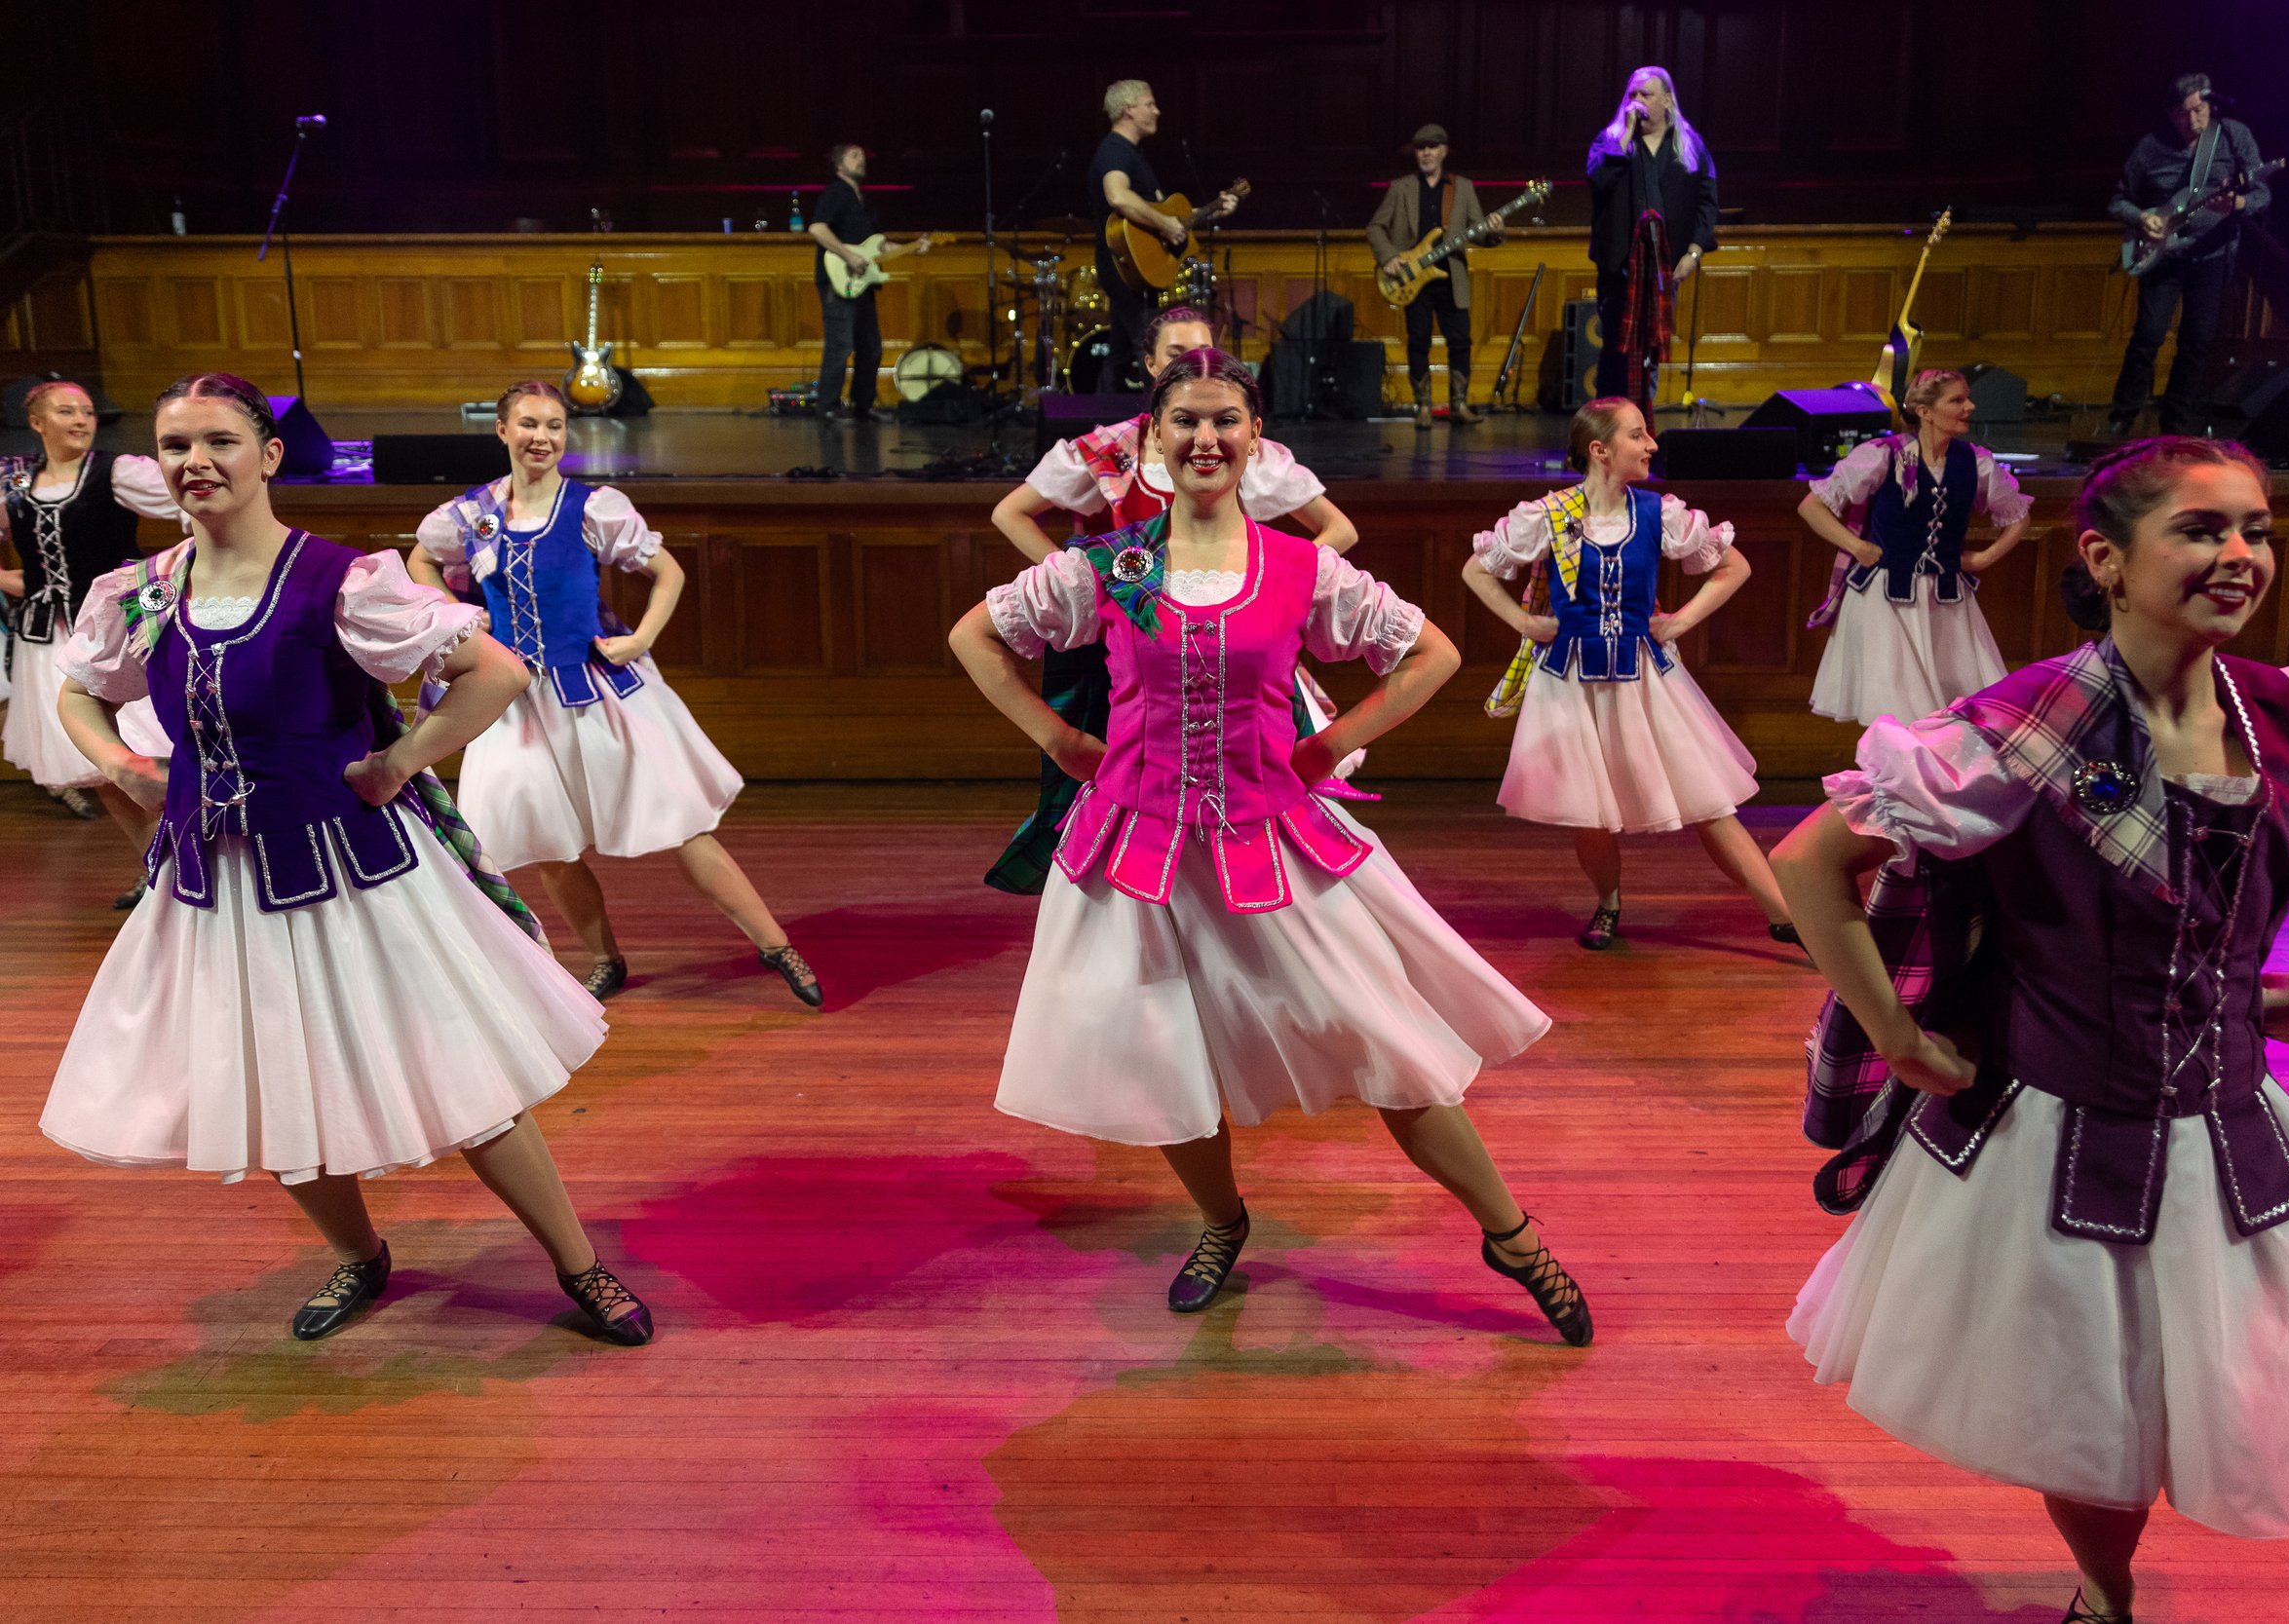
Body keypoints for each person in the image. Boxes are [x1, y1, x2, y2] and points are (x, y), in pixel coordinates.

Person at [1774, 436, 2289, 1622]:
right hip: (2055, 1126)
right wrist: (1900, 1036)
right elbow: (1811, 861)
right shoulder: (2024, 727)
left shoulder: (2284, 716)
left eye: (2255, 529)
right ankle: (2102, 1592)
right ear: (2107, 560)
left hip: (2234, 1119)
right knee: (2089, 1409)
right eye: (2200, 529)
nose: (2239, 555)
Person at [951, 347, 1590, 1346]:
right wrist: (1061, 740)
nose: (1205, 438)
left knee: (1388, 1041)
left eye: (1224, 421)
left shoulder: (1300, 566)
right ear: (1154, 440)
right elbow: (975, 637)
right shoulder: (1121, 565)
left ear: (1255, 440)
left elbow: (1431, 654)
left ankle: (1509, 1234)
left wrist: (1331, 740)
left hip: (1273, 839)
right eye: (1186, 421)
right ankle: (1221, 1219)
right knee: (1162, 1058)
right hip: (1134, 850)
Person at [43, 371, 652, 1346]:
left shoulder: (341, 580)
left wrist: (399, 759)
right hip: (221, 886)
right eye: (174, 447)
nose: (195, 462)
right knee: (271, 1084)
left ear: (268, 455)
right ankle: (359, 1254)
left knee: (468, 1082)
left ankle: (578, 1262)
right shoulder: (145, 592)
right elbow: (76, 690)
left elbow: (492, 669)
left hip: (355, 872)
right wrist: (121, 763)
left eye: (219, 441)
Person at [407, 380, 820, 1007]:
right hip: (516, 703)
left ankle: (774, 943)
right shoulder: (473, 515)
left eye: (553, 426)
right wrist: (453, 612)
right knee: (545, 837)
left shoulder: (592, 507)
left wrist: (640, 639)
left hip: (597, 693)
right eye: (528, 424)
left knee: (681, 824)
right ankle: (605, 958)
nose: (541, 437)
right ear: (502, 431)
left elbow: (667, 572)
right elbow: (421, 559)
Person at [984, 306, 1357, 895]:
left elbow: (1337, 530)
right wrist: (1093, 584)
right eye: (1181, 358)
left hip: (1233, 641)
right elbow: (1010, 514)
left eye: (1208, 351)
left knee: (1256, 775)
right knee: (1131, 788)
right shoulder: (1109, 450)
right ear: (1152, 369)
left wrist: (1280, 581)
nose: (1198, 365)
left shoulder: (1246, 448)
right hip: (1136, 648)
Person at [1464, 397, 1796, 952]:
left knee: (1710, 802)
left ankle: (1787, 916)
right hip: (1570, 680)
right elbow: (1478, 569)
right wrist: (1524, 620)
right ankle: (1609, 903)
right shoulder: (1550, 515)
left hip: (1644, 678)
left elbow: (1732, 565)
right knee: (1590, 810)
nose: (1652, 445)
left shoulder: (1657, 513)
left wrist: (1680, 622)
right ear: (1600, 450)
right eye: (1638, 435)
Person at [1, 379, 182, 875]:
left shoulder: (115, 472)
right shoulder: (17, 483)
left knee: (145, 748)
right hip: (47, 635)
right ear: (37, 423)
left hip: (116, 626)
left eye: (86, 411)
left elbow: (189, 499)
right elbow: (25, 544)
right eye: (67, 411)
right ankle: (155, 871)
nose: (82, 419)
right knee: (99, 768)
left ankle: (182, 865)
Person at [1799, 368, 2034, 726]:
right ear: (1925, 411)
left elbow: (2018, 515)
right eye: (1956, 400)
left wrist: (1985, 558)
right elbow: (1811, 506)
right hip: (1886, 598)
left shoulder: (1974, 461)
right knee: (1896, 706)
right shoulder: (1882, 456)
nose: (1969, 406)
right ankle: (1893, 777)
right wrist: (1856, 546)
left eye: (1967, 397)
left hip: (1944, 600)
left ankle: (1931, 778)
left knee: (1953, 702)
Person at [2106, 73, 2270, 437]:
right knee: (2148, 336)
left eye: (2201, 109)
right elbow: (2118, 200)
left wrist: (2239, 203)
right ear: (2171, 115)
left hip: (2212, 255)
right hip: (2162, 256)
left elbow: (2262, 195)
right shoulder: (2151, 147)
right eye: (2185, 113)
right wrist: (2142, 217)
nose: (2195, 119)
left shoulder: (2232, 136)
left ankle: (2175, 426)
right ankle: (2121, 418)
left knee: (2196, 341)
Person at [1584, 66, 1716, 412]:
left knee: (1651, 349)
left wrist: (1694, 252)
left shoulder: (1689, 144)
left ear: (1668, 100)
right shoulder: (1611, 140)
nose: (1637, 101)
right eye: (1632, 95)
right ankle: (1609, 421)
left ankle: (1640, 423)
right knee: (1616, 346)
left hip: (1665, 267)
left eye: (1646, 94)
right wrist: (1625, 136)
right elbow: (1598, 182)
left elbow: (1707, 201)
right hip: (1619, 268)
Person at [1089, 80, 1237, 373]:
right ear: (1129, 110)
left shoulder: (1134, 156)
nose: (1157, 111)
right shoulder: (1114, 150)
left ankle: (1100, 411)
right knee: (1151, 344)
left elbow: (1168, 216)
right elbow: (1117, 196)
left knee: (1120, 352)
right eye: (1150, 105)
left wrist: (1213, 210)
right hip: (1122, 265)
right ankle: (1162, 413)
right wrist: (1165, 225)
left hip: (1136, 269)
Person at [1366, 123, 1502, 430]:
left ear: (1443, 151)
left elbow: (1479, 231)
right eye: (1421, 147)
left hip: (1451, 277)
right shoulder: (1401, 188)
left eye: (1432, 147)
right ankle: (1423, 406)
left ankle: (1459, 405)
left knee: (1460, 341)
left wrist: (1494, 232)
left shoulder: (1462, 187)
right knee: (1418, 341)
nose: (1426, 152)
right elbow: (1375, 227)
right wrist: (1388, 257)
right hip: (1413, 278)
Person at [808, 143, 929, 422]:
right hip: (839, 280)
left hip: (862, 282)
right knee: (840, 345)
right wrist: (849, 255)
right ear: (839, 165)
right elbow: (817, 227)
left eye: (863, 155)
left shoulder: (864, 201)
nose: (861, 160)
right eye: (854, 156)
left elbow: (877, 244)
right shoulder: (835, 193)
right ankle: (827, 406)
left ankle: (862, 404)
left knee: (870, 345)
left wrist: (912, 247)